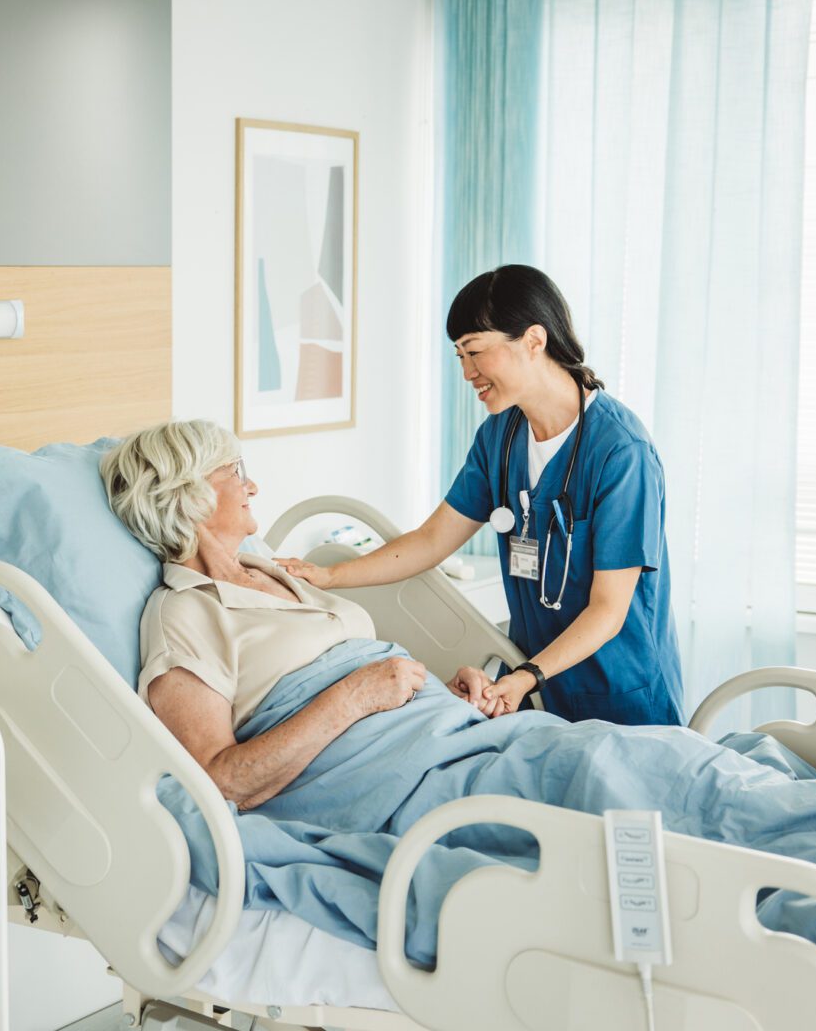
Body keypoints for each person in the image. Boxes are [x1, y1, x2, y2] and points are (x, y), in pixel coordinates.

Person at [278, 265, 684, 726]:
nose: (467, 372)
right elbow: (431, 541)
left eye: (475, 352)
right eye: (459, 355)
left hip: (620, 695)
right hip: (541, 696)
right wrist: (329, 577)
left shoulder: (621, 452)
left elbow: (609, 610)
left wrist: (529, 674)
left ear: (534, 340)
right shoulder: (501, 438)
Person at [101, 419, 448, 809]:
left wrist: (445, 694)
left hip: (440, 736)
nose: (252, 486)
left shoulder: (271, 569)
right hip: (396, 781)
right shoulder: (183, 613)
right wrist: (355, 697)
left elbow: (372, 677)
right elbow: (220, 781)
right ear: (190, 493)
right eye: (235, 471)